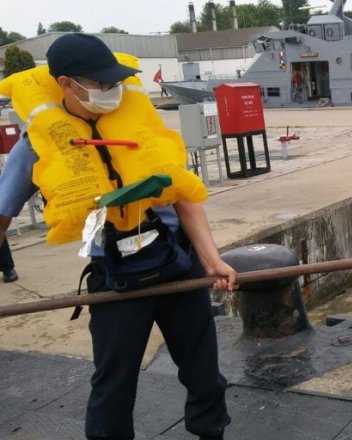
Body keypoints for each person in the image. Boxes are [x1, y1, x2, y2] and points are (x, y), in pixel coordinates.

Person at [0, 33, 237, 440]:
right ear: (66, 85)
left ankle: (211, 433)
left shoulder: (137, 122)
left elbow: (183, 195)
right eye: (101, 84)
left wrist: (212, 259)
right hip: (114, 278)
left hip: (177, 264)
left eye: (116, 83)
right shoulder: (35, 146)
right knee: (113, 384)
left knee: (205, 375)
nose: (112, 91)